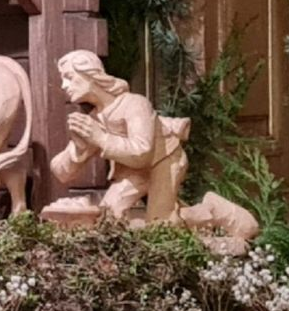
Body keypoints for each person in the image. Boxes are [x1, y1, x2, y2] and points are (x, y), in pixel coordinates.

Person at [44, 49, 189, 223]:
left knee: (160, 223)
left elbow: (142, 152)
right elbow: (62, 173)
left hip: (164, 160)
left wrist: (100, 138)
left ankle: (210, 212)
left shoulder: (135, 104)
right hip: (132, 169)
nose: (64, 86)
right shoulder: (95, 119)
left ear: (91, 75)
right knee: (107, 218)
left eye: (69, 77)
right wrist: (79, 149)